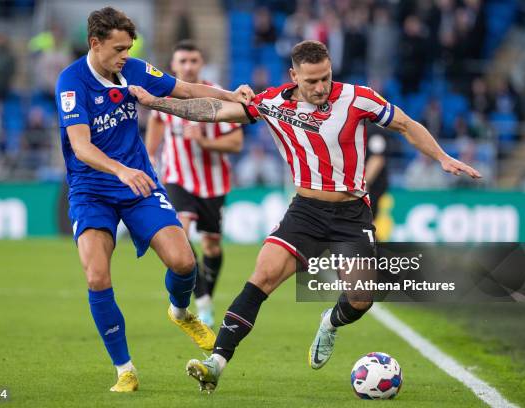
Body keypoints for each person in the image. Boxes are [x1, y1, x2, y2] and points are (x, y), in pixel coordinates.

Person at [129, 40, 481, 393]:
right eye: (311, 81)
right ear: (294, 75)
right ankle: (216, 363)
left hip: (352, 214)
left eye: (325, 78)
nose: (320, 88)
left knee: (361, 299)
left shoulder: (359, 98)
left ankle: (329, 321)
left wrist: (442, 157)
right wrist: (154, 102)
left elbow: (405, 124)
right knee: (260, 278)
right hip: (305, 212)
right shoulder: (273, 103)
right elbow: (212, 111)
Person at [54, 7, 253, 393]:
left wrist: (232, 95)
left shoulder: (134, 69)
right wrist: (121, 170)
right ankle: (125, 369)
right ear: (95, 44)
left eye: (129, 47)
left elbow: (188, 89)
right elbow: (80, 146)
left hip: (138, 184)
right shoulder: (71, 82)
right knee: (96, 275)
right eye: (118, 48)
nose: (125, 55)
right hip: (92, 190)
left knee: (184, 261)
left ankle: (180, 312)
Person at [145, 40, 244, 327]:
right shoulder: (164, 93)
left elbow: (236, 142)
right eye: (182, 61)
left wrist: (203, 140)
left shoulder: (215, 97)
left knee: (212, 245)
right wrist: (150, 156)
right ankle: (200, 301)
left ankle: (206, 297)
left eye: (193, 61)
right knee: (180, 235)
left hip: (213, 183)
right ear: (173, 65)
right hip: (177, 179)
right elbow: (156, 121)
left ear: (201, 64)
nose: (188, 66)